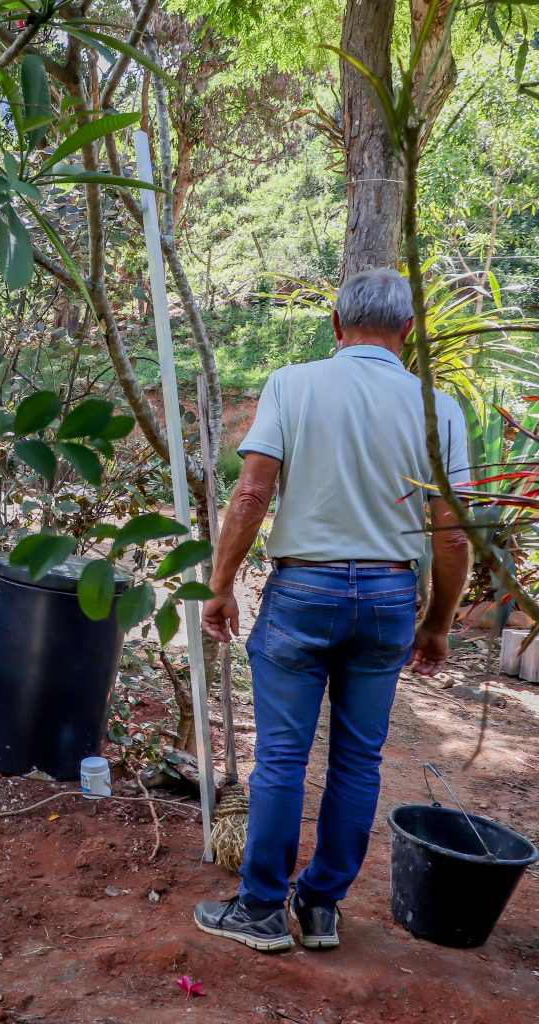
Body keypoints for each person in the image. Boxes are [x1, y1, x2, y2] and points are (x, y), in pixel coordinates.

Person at [193, 269, 471, 953]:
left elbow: (252, 495)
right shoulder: (441, 408)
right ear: (409, 333)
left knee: (283, 756)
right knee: (358, 761)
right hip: (386, 600)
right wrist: (435, 623)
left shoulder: (294, 383)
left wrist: (222, 582)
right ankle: (321, 909)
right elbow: (456, 531)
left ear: (336, 326)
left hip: (303, 593)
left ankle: (261, 910)